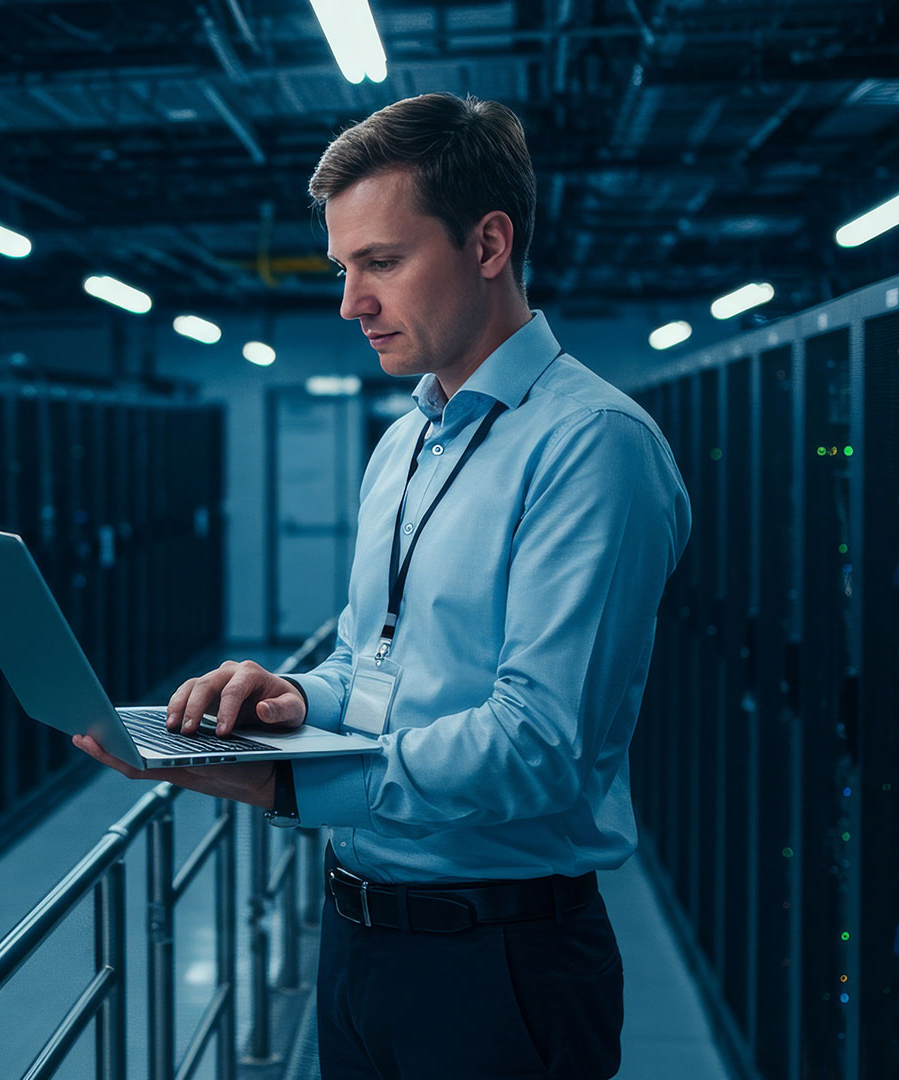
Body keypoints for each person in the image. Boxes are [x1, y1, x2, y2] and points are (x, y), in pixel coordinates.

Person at [73, 92, 690, 1079]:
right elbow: (374, 660)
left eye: (382, 263)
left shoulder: (591, 447)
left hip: (499, 964)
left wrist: (278, 779)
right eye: (342, 267)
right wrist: (285, 698)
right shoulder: (406, 440)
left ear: (489, 244)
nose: (350, 302)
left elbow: (538, 749)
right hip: (361, 937)